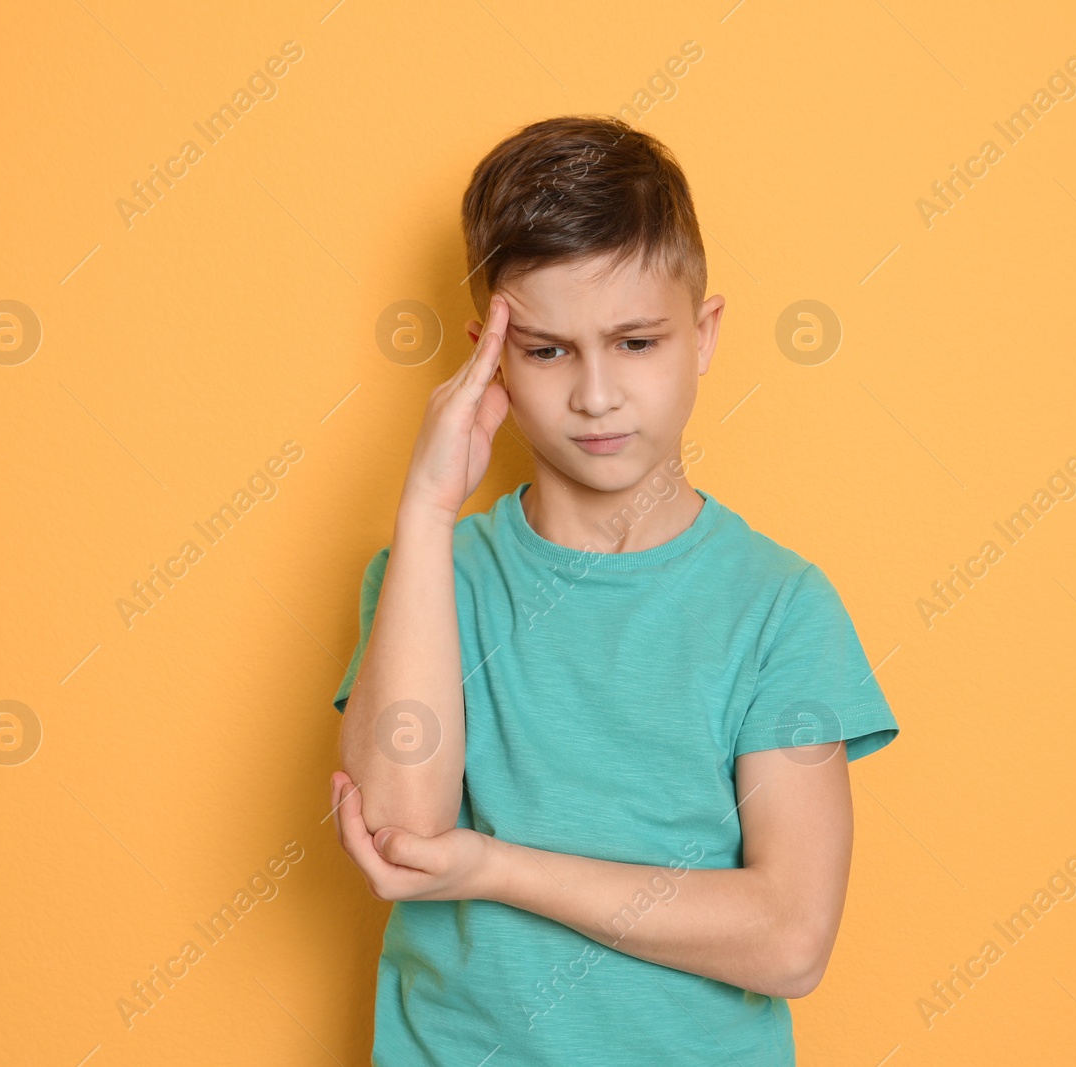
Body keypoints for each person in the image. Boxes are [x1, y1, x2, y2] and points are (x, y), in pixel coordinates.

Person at [329, 114, 900, 1066]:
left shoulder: (780, 608)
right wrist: (427, 508)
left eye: (635, 342)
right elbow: (399, 835)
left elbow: (791, 937)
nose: (596, 394)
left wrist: (498, 868)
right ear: (490, 361)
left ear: (704, 334)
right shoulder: (426, 577)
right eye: (548, 350)